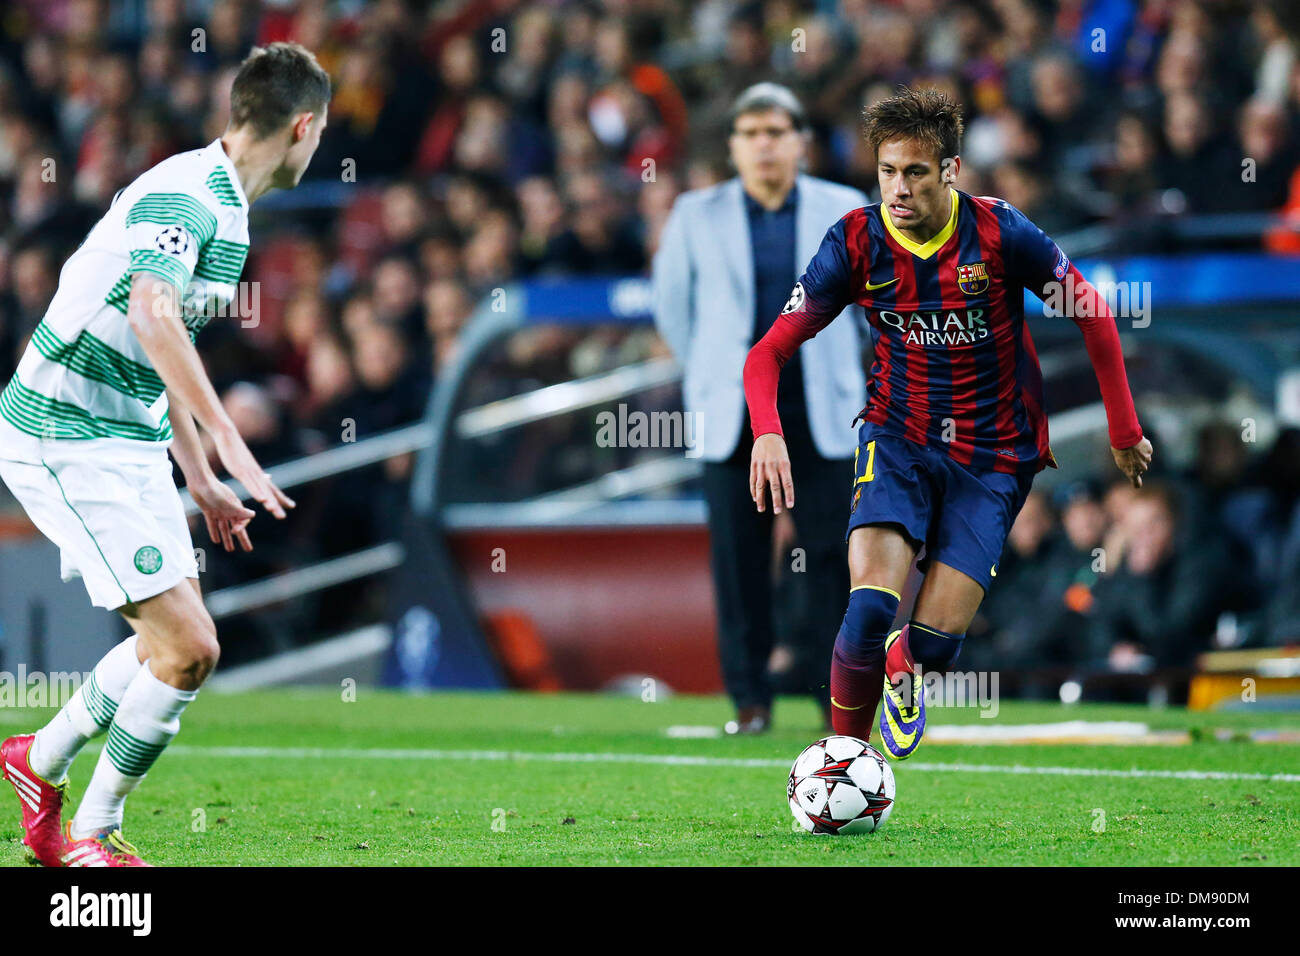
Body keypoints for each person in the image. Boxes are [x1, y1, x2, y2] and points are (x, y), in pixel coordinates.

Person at [743, 87, 1152, 759]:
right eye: (886, 172)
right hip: (896, 436)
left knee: (934, 645)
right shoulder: (855, 242)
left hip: (992, 455)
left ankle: (909, 664)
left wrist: (1123, 430)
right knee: (869, 606)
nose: (897, 189)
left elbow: (1094, 314)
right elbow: (768, 352)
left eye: (914, 172)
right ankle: (845, 762)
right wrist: (766, 429)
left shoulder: (1001, 234)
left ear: (951, 172)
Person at [0, 43, 330, 866]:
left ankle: (36, 766)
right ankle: (91, 833)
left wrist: (197, 470)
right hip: (64, 434)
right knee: (189, 649)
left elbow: (157, 346)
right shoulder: (190, 199)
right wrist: (224, 433)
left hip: (128, 432)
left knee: (172, 645)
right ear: (305, 127)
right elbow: (153, 315)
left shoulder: (224, 199)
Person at [653, 83, 869, 733]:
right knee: (738, 558)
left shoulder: (846, 206)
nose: (764, 144)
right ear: (733, 147)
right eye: (750, 134)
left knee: (832, 557)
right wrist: (715, 376)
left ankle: (834, 697)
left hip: (822, 407)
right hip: (734, 414)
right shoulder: (696, 213)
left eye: (776, 131)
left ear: (801, 141)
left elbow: (872, 307)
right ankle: (750, 700)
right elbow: (673, 308)